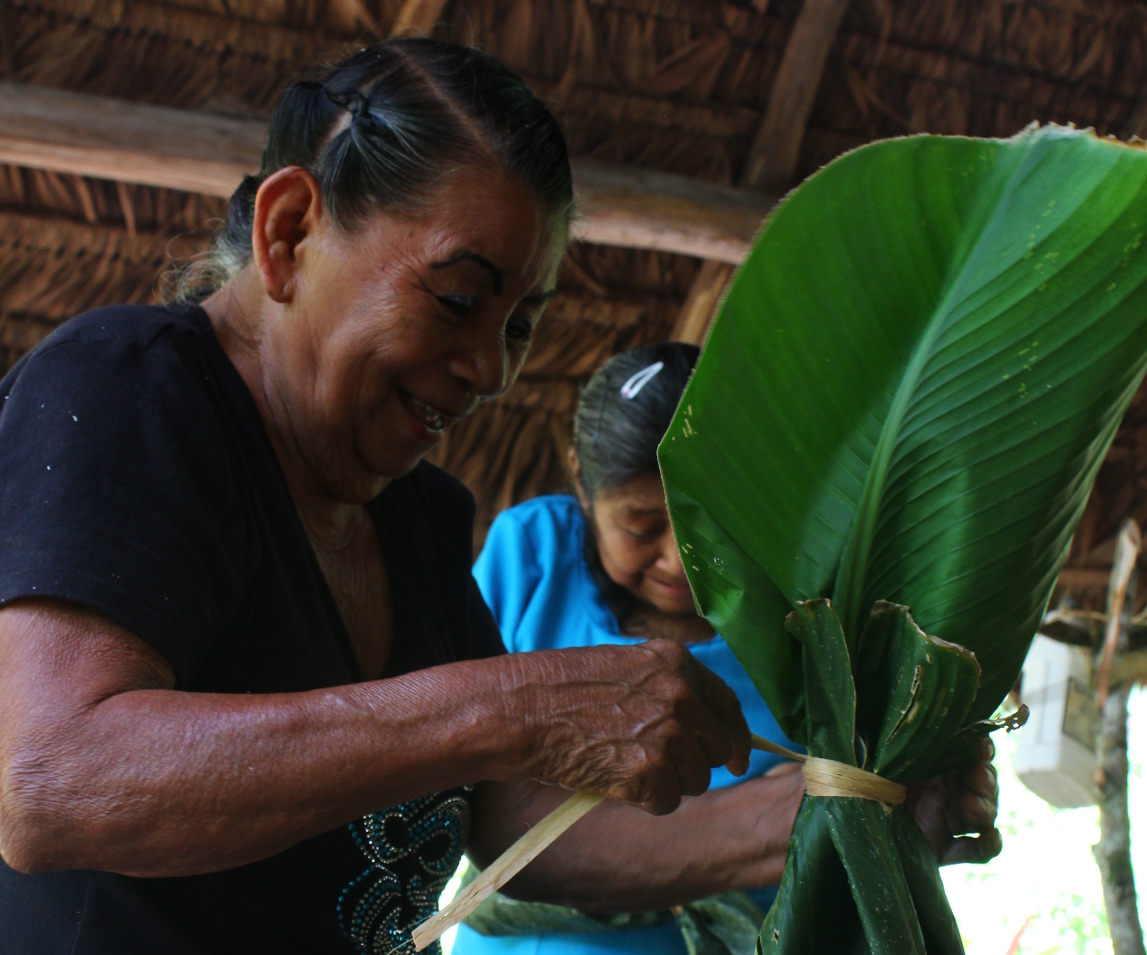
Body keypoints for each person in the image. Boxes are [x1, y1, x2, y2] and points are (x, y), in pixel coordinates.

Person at [0, 39, 756, 955]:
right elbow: (52, 777)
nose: (491, 370)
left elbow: (526, 821)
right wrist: (511, 709)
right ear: (288, 233)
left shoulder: (416, 516)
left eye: (519, 323)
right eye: (457, 298)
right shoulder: (132, 390)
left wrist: (822, 806)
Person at [452, 343, 1003, 955]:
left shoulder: (817, 608)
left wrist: (914, 811)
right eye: (639, 526)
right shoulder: (532, 556)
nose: (676, 562)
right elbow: (475, 782)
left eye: (708, 528)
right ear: (581, 478)